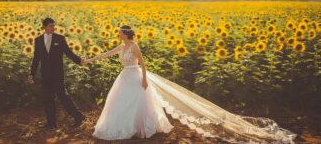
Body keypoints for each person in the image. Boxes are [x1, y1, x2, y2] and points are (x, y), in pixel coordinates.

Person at [82, 25, 297, 143]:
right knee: (122, 104)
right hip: (124, 78)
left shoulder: (134, 46)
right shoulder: (121, 47)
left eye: (120, 31)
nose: (117, 34)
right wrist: (88, 60)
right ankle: (128, 128)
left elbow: (143, 63)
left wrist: (145, 79)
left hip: (136, 76)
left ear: (126, 34)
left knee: (139, 103)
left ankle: (142, 128)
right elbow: (104, 54)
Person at [28, 17, 86, 129]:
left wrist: (79, 61)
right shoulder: (38, 40)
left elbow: (69, 53)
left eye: (54, 25)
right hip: (45, 75)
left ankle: (78, 117)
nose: (53, 28)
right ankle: (51, 123)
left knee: (63, 96)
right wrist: (32, 74)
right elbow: (36, 58)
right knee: (48, 99)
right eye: (50, 26)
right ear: (44, 27)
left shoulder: (60, 39)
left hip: (57, 74)